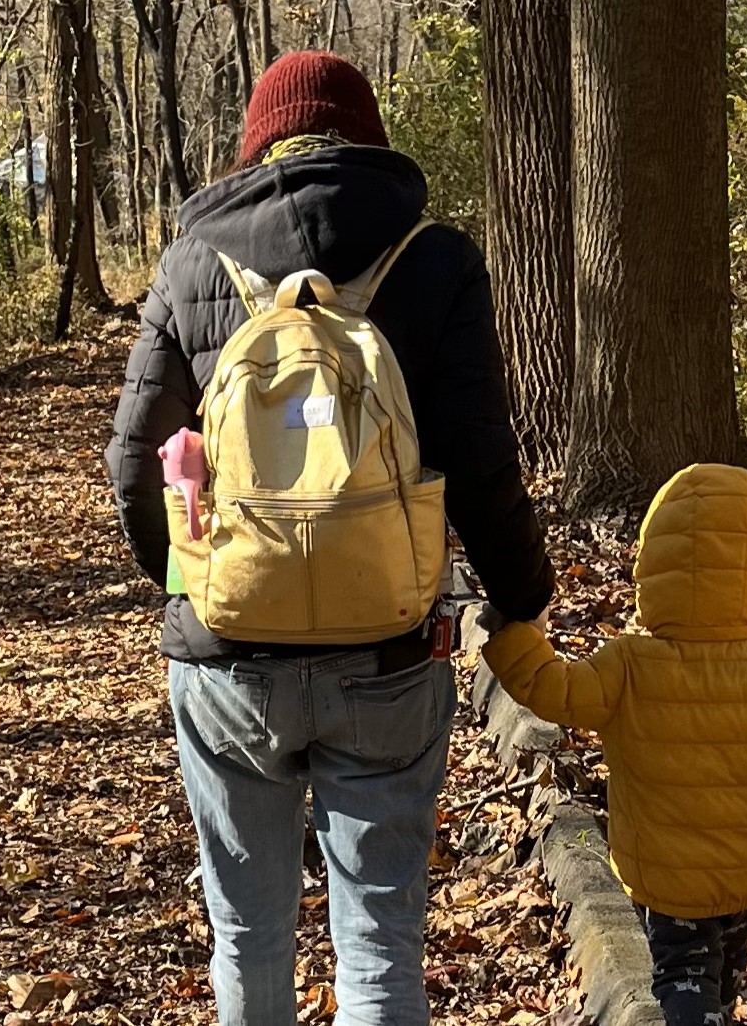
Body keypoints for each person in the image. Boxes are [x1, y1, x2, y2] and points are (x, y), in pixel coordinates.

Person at [105, 50, 552, 1025]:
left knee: (248, 934)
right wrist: (523, 596)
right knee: (380, 939)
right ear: (369, 139)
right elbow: (481, 466)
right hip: (386, 652)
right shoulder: (433, 259)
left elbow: (131, 467)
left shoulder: (190, 264)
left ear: (257, 144)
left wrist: (189, 585)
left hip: (227, 659)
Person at [481, 463, 747, 1026]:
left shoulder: (628, 665)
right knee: (725, 974)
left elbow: (556, 692)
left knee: (683, 973)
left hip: (665, 876)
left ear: (652, 563)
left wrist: (513, 637)